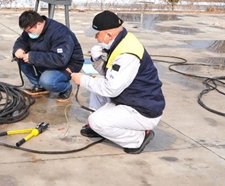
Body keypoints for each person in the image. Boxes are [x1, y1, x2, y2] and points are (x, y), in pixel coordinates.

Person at [70, 10, 165, 154]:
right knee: (96, 84)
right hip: (131, 98)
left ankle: (137, 138)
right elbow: (110, 74)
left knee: (97, 120)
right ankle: (100, 129)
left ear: (108, 35)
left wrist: (83, 79)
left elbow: (111, 89)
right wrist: (97, 60)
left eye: (97, 34)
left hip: (142, 110)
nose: (96, 38)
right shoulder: (120, 42)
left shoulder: (127, 55)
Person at [12, 10, 84, 102]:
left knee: (47, 80)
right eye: (26, 31)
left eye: (30, 31)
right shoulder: (30, 28)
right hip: (46, 59)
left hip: (67, 65)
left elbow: (60, 59)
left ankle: (66, 88)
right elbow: (22, 41)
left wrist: (33, 57)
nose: (29, 34)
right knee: (20, 59)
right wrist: (19, 49)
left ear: (38, 24)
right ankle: (40, 86)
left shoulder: (59, 32)